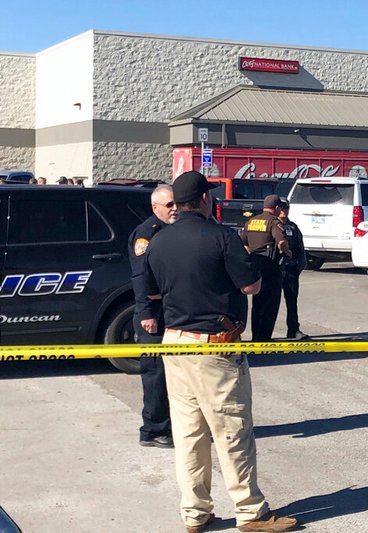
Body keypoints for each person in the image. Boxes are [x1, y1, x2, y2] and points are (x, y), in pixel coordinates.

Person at [143, 171, 297, 533]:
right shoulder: (220, 237)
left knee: (188, 434)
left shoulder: (158, 242)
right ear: (203, 200)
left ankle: (195, 513)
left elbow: (151, 294)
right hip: (214, 347)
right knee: (231, 430)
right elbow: (252, 285)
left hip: (174, 343)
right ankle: (250, 511)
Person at [128, 185, 177, 449]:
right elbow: (141, 276)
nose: (174, 208)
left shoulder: (171, 231)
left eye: (176, 203)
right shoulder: (147, 234)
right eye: (168, 204)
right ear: (155, 207)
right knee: (155, 373)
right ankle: (153, 430)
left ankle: (169, 424)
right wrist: (147, 312)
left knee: (172, 371)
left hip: (170, 310)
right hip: (152, 315)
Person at [240, 194, 291, 342]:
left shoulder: (252, 221)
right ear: (276, 208)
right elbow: (281, 242)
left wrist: (251, 253)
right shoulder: (274, 222)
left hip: (255, 264)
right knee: (270, 303)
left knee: (257, 303)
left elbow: (243, 241)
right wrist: (287, 251)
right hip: (270, 266)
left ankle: (256, 336)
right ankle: (264, 338)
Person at [277, 199, 308, 340]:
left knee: (292, 302)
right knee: (270, 303)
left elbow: (301, 250)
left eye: (287, 207)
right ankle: (263, 334)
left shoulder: (293, 227)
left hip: (290, 270)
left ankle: (293, 330)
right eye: (282, 207)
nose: (284, 210)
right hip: (274, 271)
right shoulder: (271, 225)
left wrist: (298, 268)